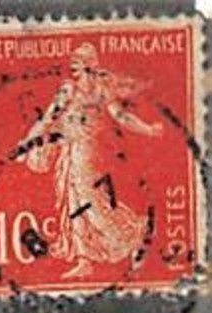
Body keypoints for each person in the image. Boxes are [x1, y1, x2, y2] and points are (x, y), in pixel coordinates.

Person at [17, 43, 164, 279]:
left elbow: (121, 116)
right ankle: (84, 260)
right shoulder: (67, 91)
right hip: (69, 151)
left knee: (93, 203)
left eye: (78, 63)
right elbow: (48, 118)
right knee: (72, 203)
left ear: (89, 65)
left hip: (90, 152)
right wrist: (28, 143)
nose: (73, 68)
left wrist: (148, 130)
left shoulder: (100, 90)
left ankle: (133, 236)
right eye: (72, 64)